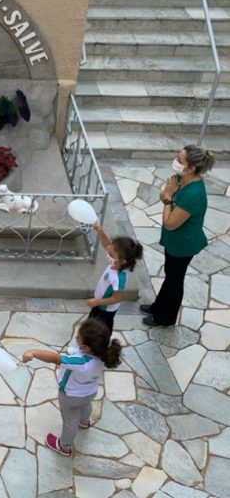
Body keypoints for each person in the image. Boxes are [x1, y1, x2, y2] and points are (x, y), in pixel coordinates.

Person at [22, 318, 122, 456]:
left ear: (87, 347)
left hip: (71, 396)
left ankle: (64, 446)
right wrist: (76, 350)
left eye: (78, 337)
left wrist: (33, 352)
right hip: (90, 392)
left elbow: (55, 359)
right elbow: (79, 353)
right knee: (86, 406)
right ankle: (84, 422)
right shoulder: (102, 354)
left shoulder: (79, 363)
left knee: (69, 422)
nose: (76, 337)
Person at [141, 145, 216, 327]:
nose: (175, 161)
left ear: (190, 167)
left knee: (175, 280)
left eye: (179, 160)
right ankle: (158, 306)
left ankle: (166, 318)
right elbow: (164, 193)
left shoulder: (194, 194)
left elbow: (170, 222)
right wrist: (166, 194)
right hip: (174, 241)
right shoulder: (182, 179)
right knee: (170, 275)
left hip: (183, 245)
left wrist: (168, 198)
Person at [86, 223, 143, 335]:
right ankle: (86, 344)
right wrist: (100, 231)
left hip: (105, 309)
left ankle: (99, 348)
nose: (108, 253)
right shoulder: (116, 262)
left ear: (122, 261)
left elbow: (117, 298)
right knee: (90, 326)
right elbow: (107, 245)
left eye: (111, 254)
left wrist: (97, 301)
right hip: (99, 305)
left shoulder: (118, 278)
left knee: (101, 331)